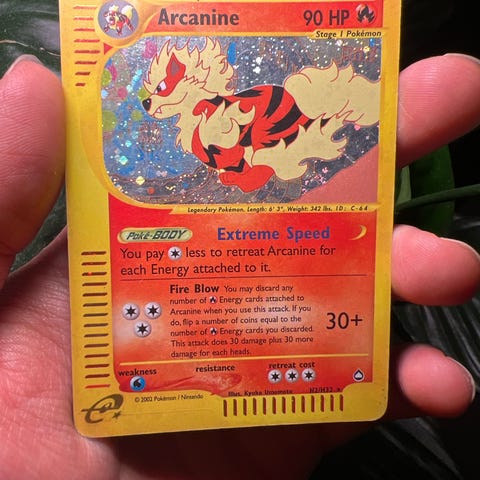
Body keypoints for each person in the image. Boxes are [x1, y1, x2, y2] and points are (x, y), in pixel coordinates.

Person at [0, 53, 479, 480]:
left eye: (162, 89)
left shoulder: (243, 112)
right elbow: (242, 174)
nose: (155, 101)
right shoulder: (205, 136)